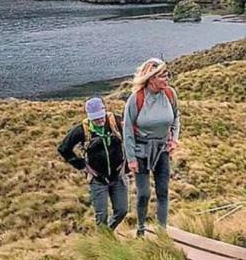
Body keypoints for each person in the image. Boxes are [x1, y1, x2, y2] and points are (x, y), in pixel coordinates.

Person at [123, 58, 180, 236]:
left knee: (163, 191)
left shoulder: (170, 94)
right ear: (151, 79)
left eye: (167, 75)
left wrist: (174, 140)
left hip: (162, 149)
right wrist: (131, 158)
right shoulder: (136, 99)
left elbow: (176, 117)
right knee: (144, 193)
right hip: (141, 151)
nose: (167, 79)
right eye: (163, 76)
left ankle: (162, 231)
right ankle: (141, 228)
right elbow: (127, 130)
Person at [58, 97, 128, 230]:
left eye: (101, 117)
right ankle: (104, 241)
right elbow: (63, 149)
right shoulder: (81, 130)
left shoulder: (116, 122)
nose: (100, 120)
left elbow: (132, 136)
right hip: (97, 179)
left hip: (118, 176)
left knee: (122, 210)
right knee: (101, 217)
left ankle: (108, 231)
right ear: (89, 117)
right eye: (95, 118)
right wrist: (81, 165)